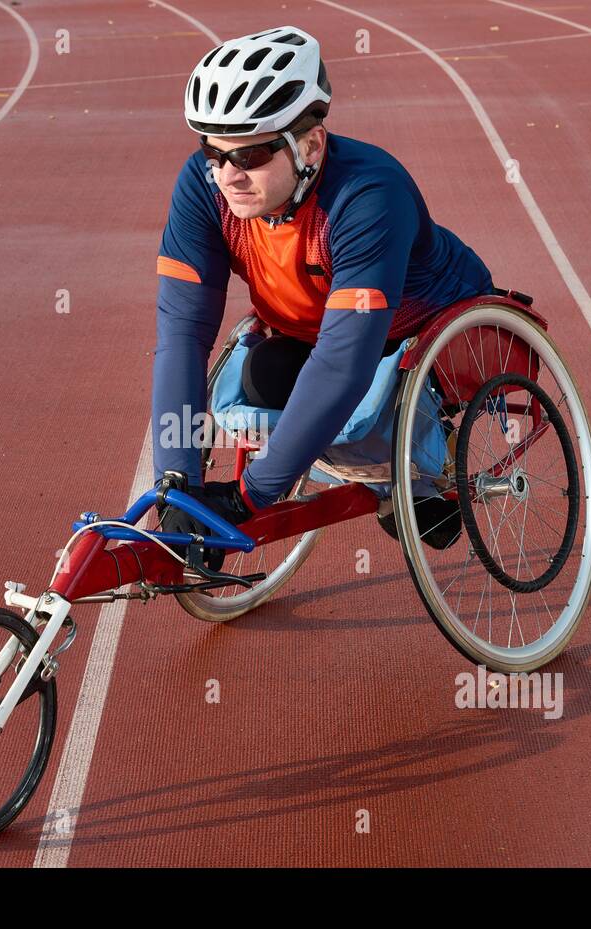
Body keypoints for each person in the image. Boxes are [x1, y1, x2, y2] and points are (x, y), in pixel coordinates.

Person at [152, 26, 494, 566]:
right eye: (213, 152)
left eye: (253, 154)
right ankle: (379, 471)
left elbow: (343, 363)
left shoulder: (368, 194)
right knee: (261, 377)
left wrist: (248, 497)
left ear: (310, 144)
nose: (228, 175)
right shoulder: (204, 186)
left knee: (375, 407)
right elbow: (182, 334)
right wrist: (176, 484)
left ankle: (419, 470)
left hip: (420, 327)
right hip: (313, 328)